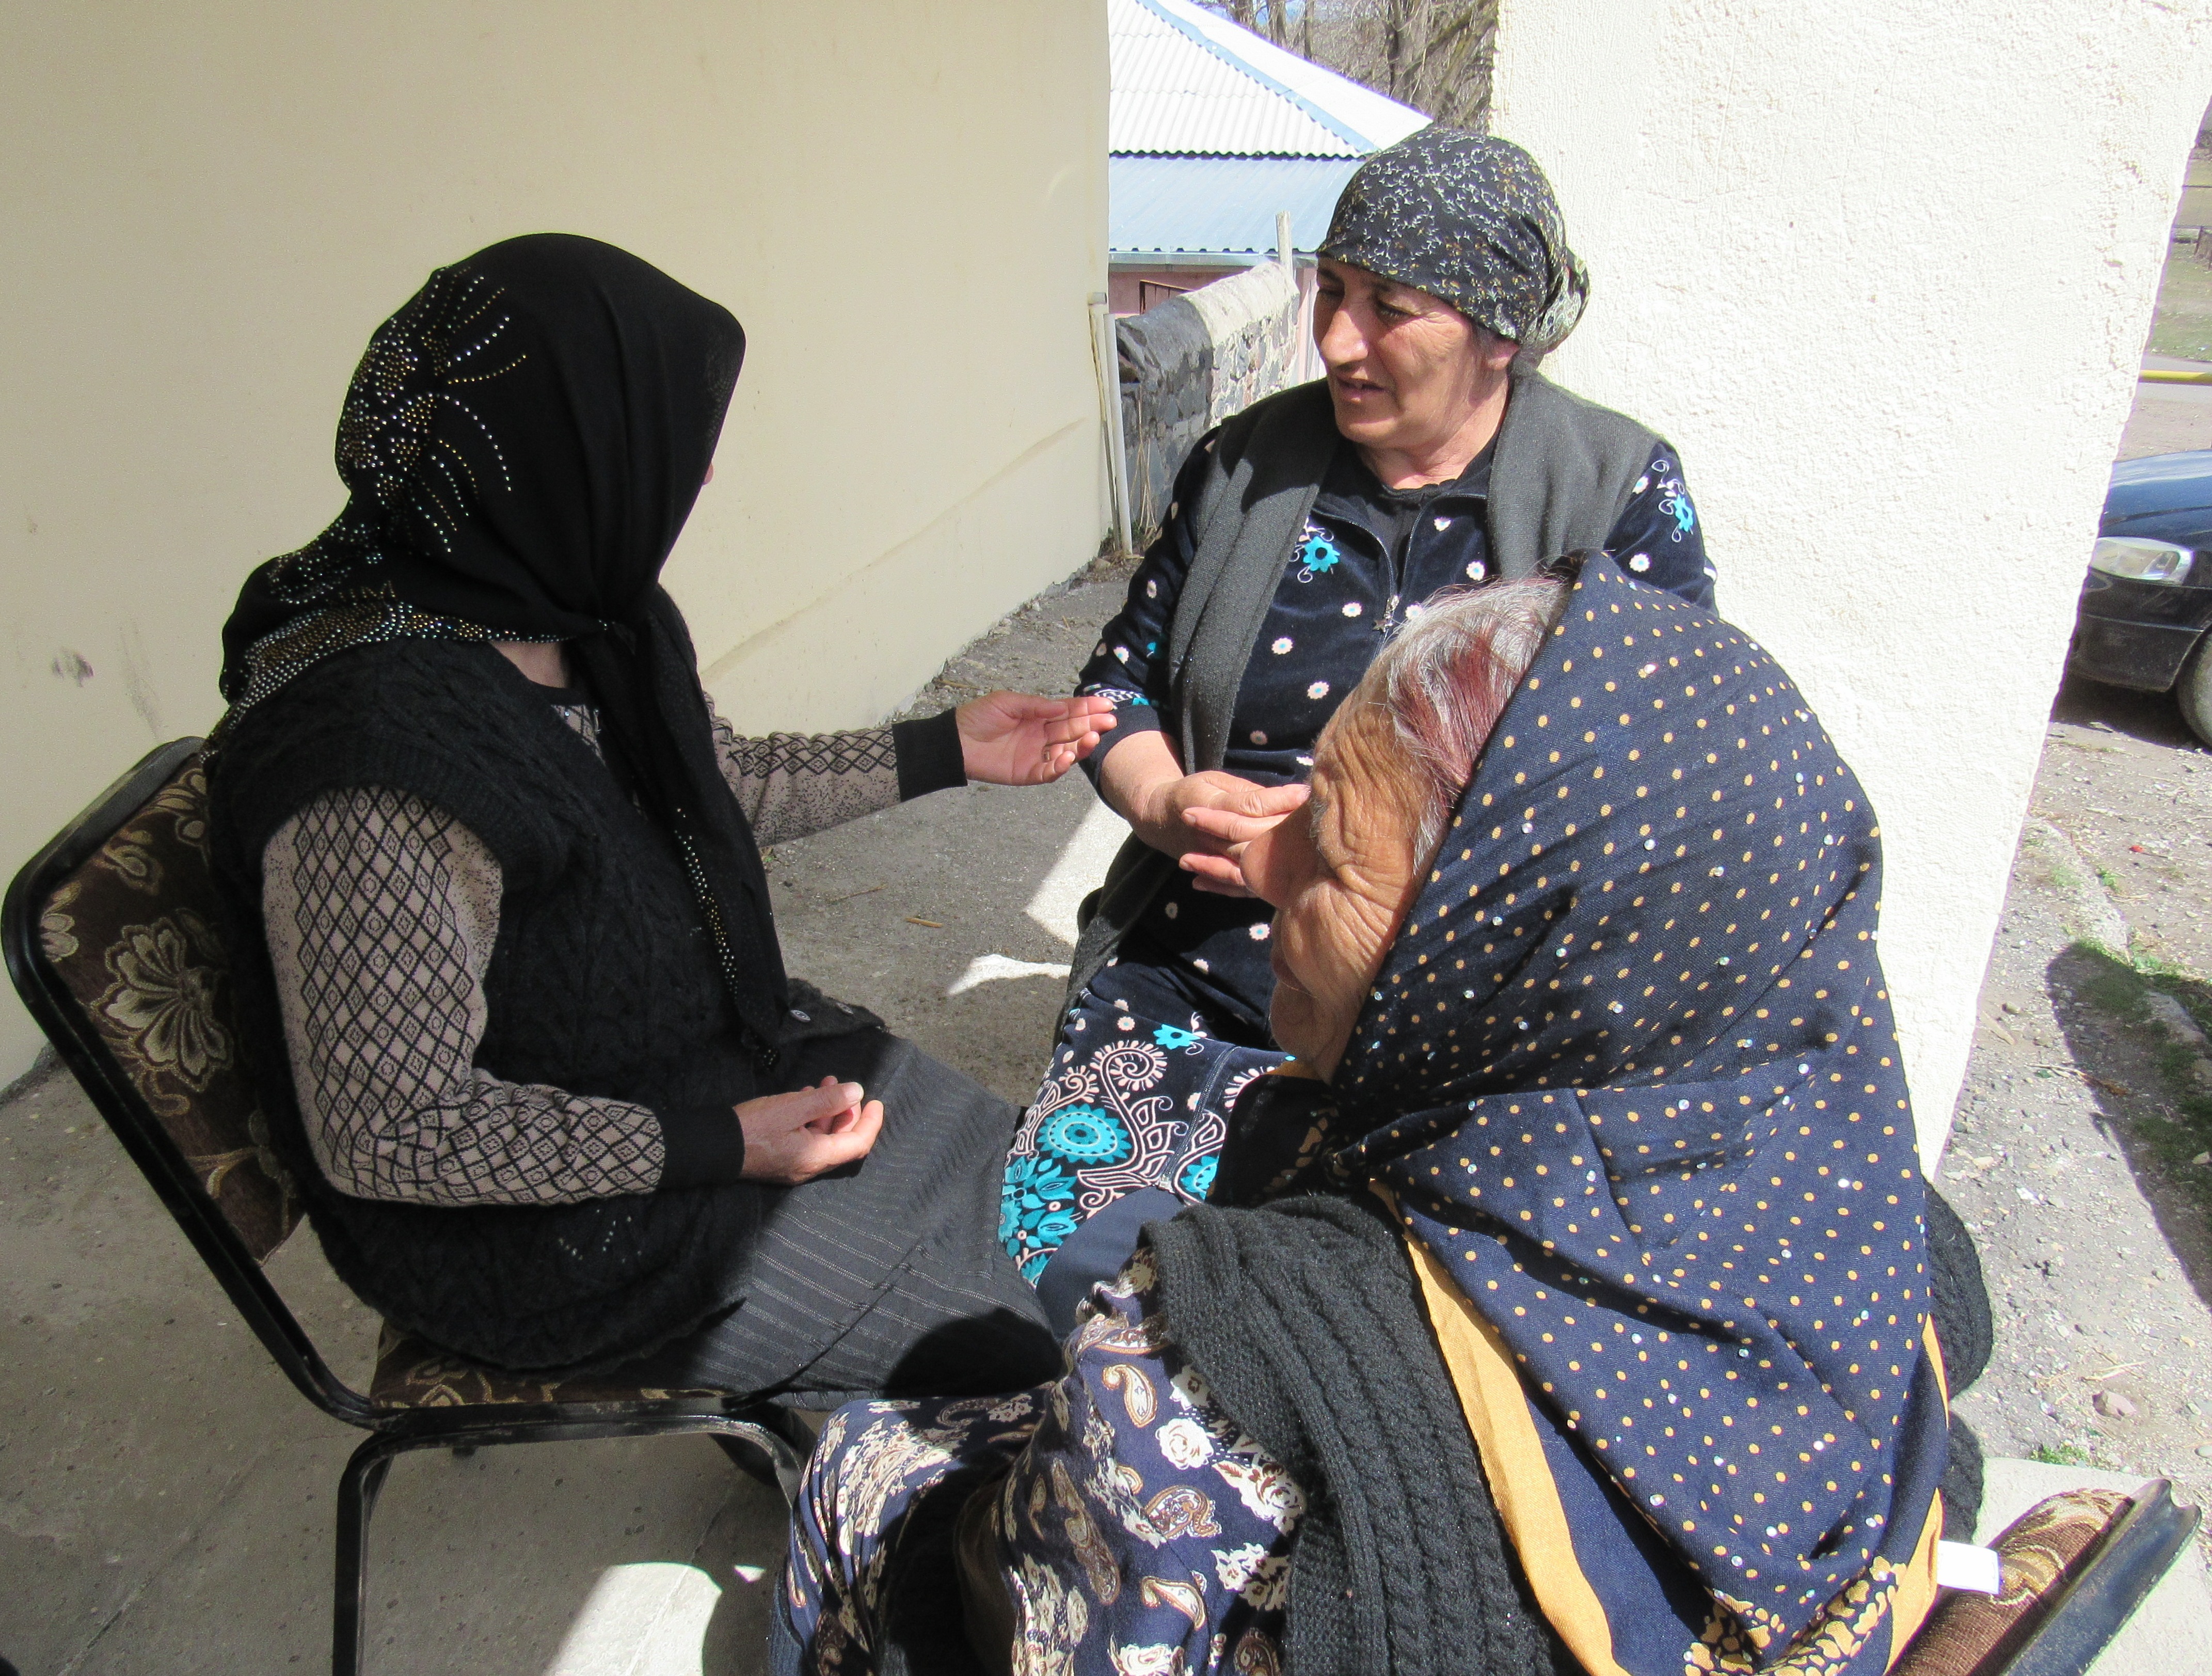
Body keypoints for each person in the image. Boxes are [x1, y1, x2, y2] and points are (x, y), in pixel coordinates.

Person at [781, 560, 1983, 1676]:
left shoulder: (1216, 1370)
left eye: (1331, 854)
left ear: (1501, 955)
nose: (1264, 877)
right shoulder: (1869, 1215)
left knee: (863, 1462)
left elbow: (1026, 1607)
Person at [205, 234, 1114, 1400]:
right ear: (561, 450)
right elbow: (395, 1127)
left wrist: (945, 749)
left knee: (1060, 1200)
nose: (704, 473)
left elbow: (709, 785)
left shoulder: (585, 618)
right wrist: (729, 1144)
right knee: (1057, 1350)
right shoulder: (377, 773)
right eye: (675, 436)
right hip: (557, 1237)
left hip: (699, 1061)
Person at [1002, 129, 1720, 1315]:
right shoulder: (1245, 464)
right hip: (1197, 974)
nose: (1338, 340)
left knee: (1316, 1330)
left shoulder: (1612, 493)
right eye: (1331, 291)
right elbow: (1119, 687)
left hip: (1454, 1025)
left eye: (1391, 309)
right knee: (1059, 1284)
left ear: (1499, 332)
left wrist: (1341, 862)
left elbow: (1652, 795)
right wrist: (1166, 801)